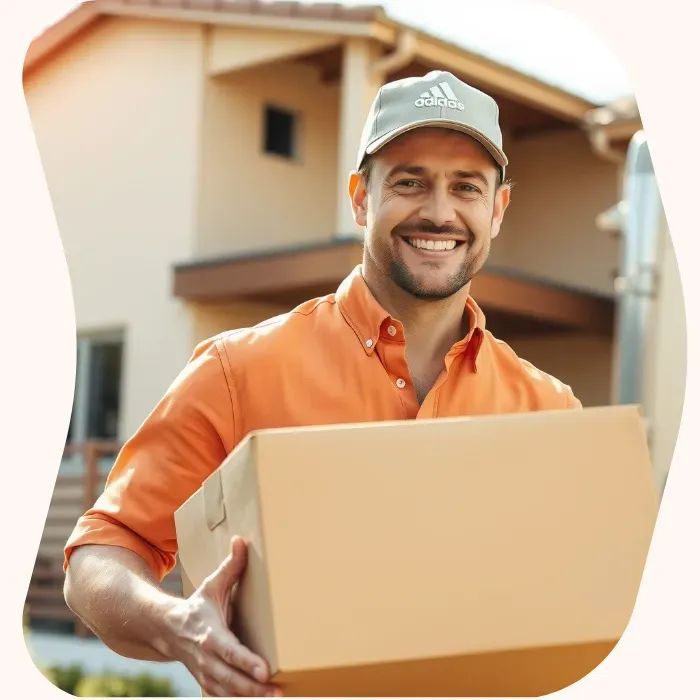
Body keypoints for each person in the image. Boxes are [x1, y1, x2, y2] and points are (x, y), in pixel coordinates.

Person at [63, 70, 582, 697]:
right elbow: (102, 551)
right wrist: (177, 626)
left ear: (496, 210)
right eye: (410, 182)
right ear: (361, 196)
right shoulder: (237, 370)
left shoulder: (549, 411)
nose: (439, 212)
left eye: (466, 187)